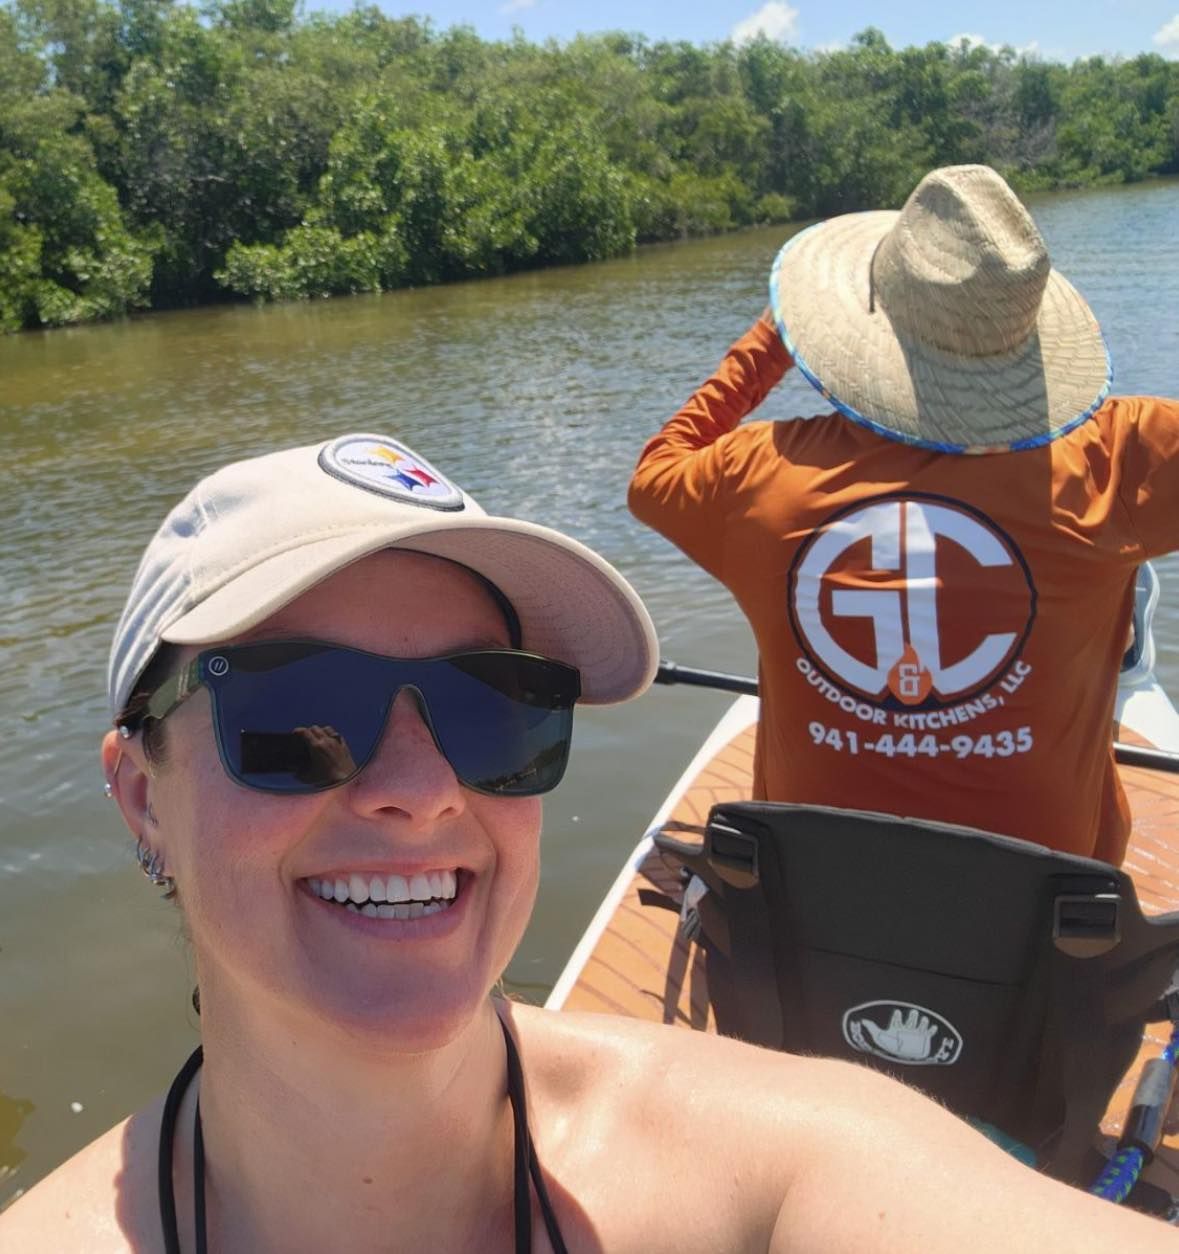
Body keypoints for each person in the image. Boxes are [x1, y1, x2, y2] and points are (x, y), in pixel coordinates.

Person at [1, 431, 1174, 1253]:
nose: (422, 791)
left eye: (494, 708)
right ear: (141, 795)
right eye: (297, 717)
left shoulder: (788, 1171)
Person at [629, 163, 1179, 865]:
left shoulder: (761, 474)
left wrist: (771, 342)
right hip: (1051, 912)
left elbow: (655, 471)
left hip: (814, 899)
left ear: (853, 327)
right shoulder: (1117, 457)